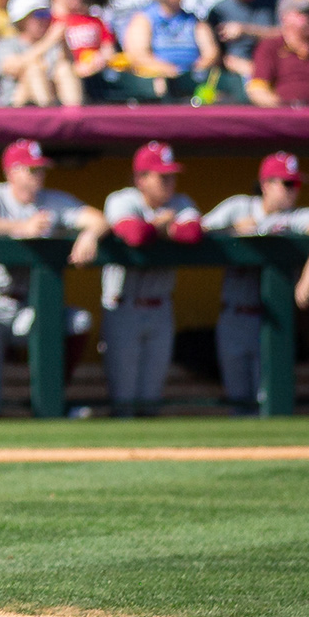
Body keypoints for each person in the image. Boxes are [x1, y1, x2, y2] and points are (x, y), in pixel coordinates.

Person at [0, 140, 104, 416]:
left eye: (41, 169)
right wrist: (19, 227)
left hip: (26, 306)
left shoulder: (52, 201)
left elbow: (97, 218)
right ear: (12, 171)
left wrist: (90, 235)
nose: (39, 175)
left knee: (78, 321)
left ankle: (52, 396)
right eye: (31, 169)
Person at [201, 152, 309, 414]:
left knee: (265, 398)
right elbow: (196, 231)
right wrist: (231, 232)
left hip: (268, 318)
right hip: (233, 314)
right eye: (287, 183)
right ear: (266, 184)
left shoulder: (294, 217)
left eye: (296, 183)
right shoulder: (239, 207)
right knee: (237, 400)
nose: (294, 190)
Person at [96, 142, 199, 417]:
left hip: (160, 307)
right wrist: (161, 226)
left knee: (152, 398)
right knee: (124, 398)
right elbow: (135, 235)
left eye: (172, 175)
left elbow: (192, 234)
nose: (170, 182)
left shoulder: (181, 202)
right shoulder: (122, 199)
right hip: (123, 306)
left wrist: (163, 227)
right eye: (162, 176)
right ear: (141, 179)